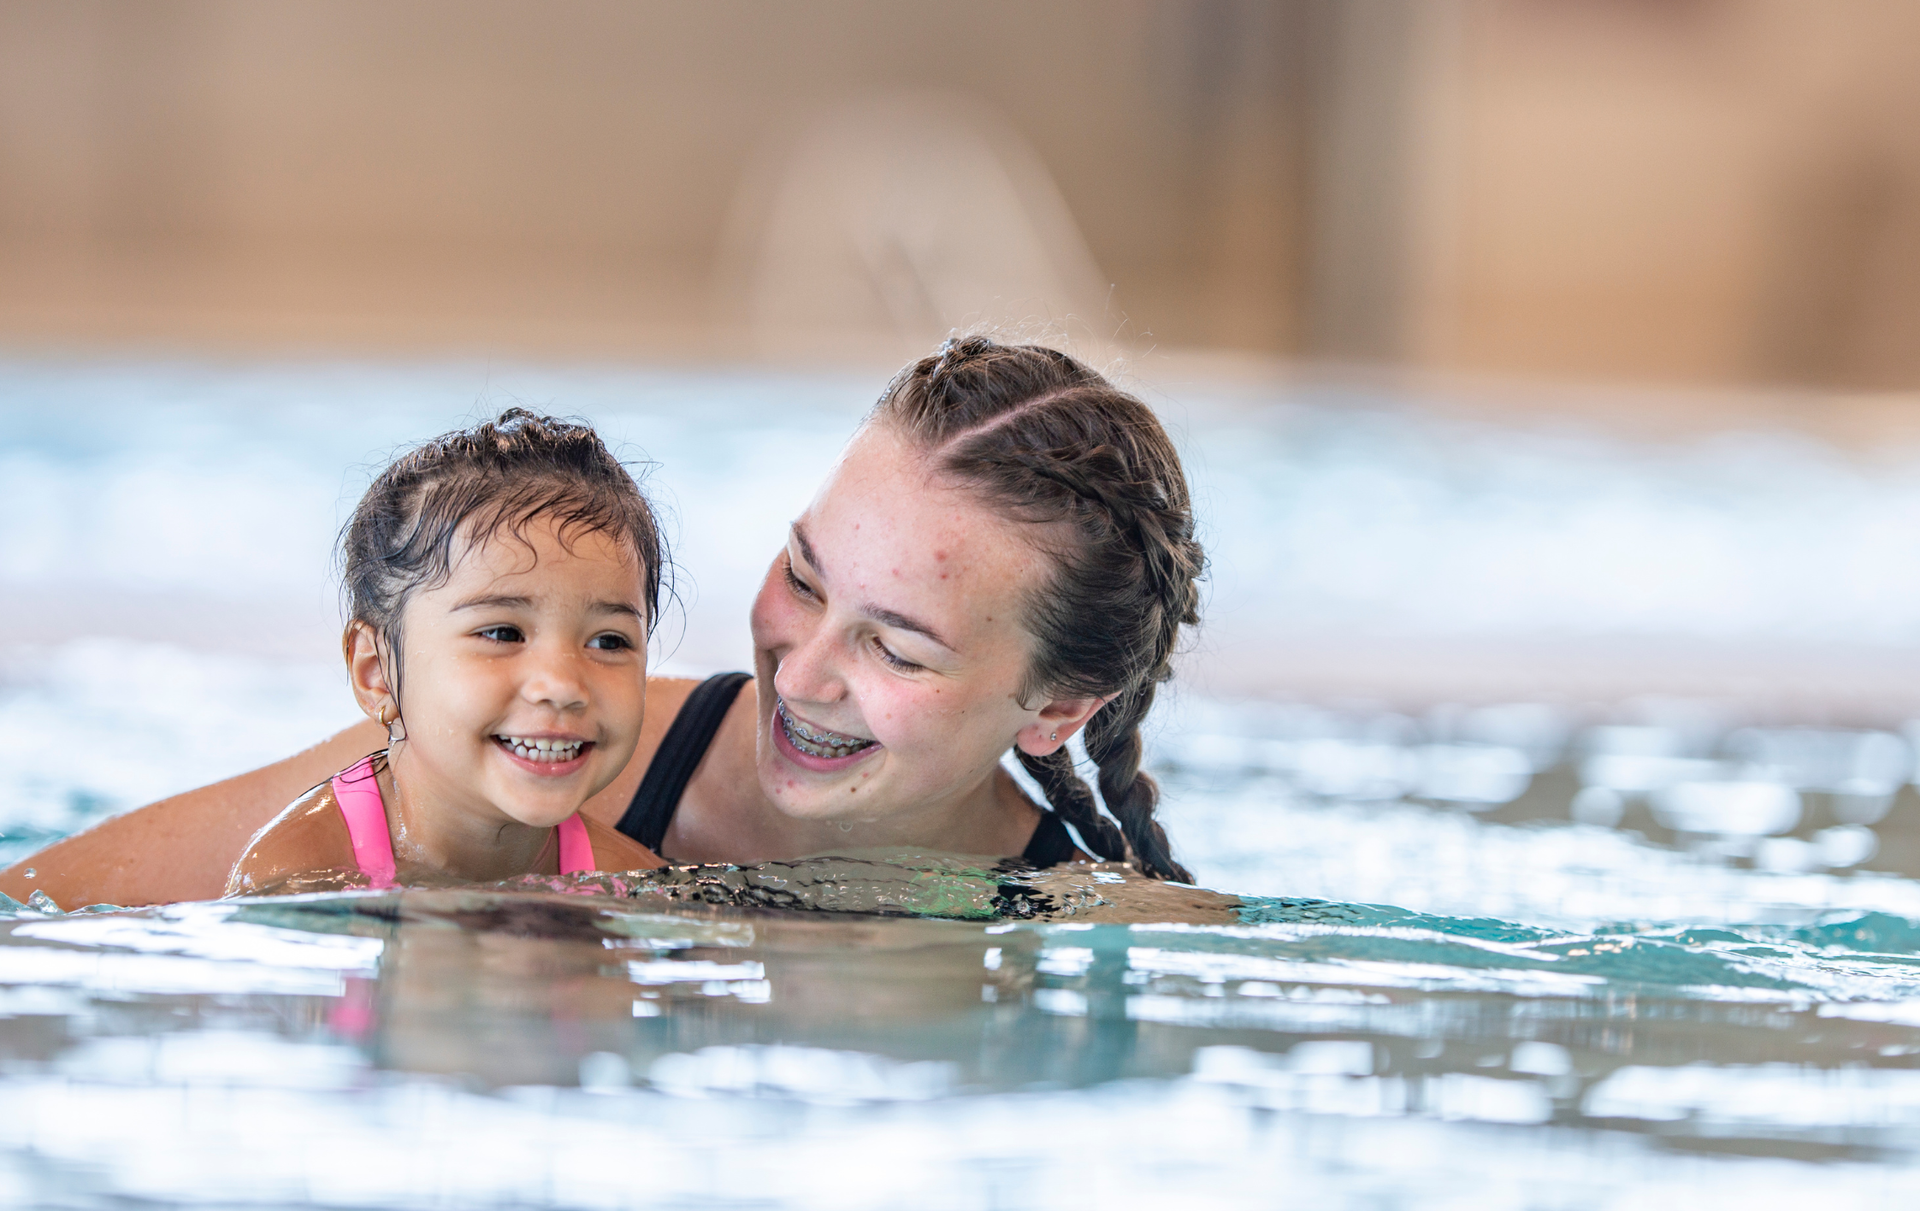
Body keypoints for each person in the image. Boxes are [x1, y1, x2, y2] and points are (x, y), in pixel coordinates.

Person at [2, 337, 1204, 907]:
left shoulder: (1082, 920)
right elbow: (43, 912)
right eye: (802, 573)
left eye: (896, 644)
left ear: (1057, 707)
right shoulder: (483, 771)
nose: (804, 673)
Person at [227, 410, 665, 893]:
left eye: (608, 641)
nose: (562, 686)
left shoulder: (625, 883)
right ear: (377, 674)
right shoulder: (297, 873)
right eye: (502, 634)